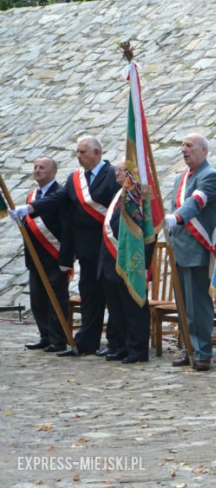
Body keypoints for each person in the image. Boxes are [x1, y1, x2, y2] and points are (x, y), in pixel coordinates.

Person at [14, 136, 121, 357]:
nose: (78, 156)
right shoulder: (75, 178)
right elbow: (58, 198)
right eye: (77, 152)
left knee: (112, 296)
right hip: (86, 250)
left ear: (96, 153)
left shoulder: (112, 175)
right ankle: (87, 343)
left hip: (109, 246)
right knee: (89, 296)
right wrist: (30, 208)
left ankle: (115, 342)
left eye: (82, 152)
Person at [167, 133, 216, 372]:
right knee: (182, 304)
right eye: (182, 145)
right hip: (178, 248)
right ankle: (188, 348)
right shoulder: (181, 177)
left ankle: (202, 352)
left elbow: (196, 202)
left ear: (203, 151)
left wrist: (176, 218)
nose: (184, 149)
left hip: (196, 248)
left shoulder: (210, 176)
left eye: (189, 145)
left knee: (197, 304)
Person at [97, 161, 156, 364]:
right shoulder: (119, 194)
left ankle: (137, 350)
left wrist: (145, 265)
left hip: (130, 263)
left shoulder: (138, 198)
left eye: (121, 171)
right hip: (111, 263)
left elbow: (145, 233)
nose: (117, 173)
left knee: (133, 310)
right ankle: (120, 346)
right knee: (117, 310)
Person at [16, 157, 71, 353]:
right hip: (36, 257)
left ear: (53, 172)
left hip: (55, 256)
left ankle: (58, 339)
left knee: (56, 299)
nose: (37, 170)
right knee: (38, 300)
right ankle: (45, 336)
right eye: (35, 167)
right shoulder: (32, 195)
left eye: (42, 168)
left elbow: (65, 227)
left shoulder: (61, 194)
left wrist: (66, 258)